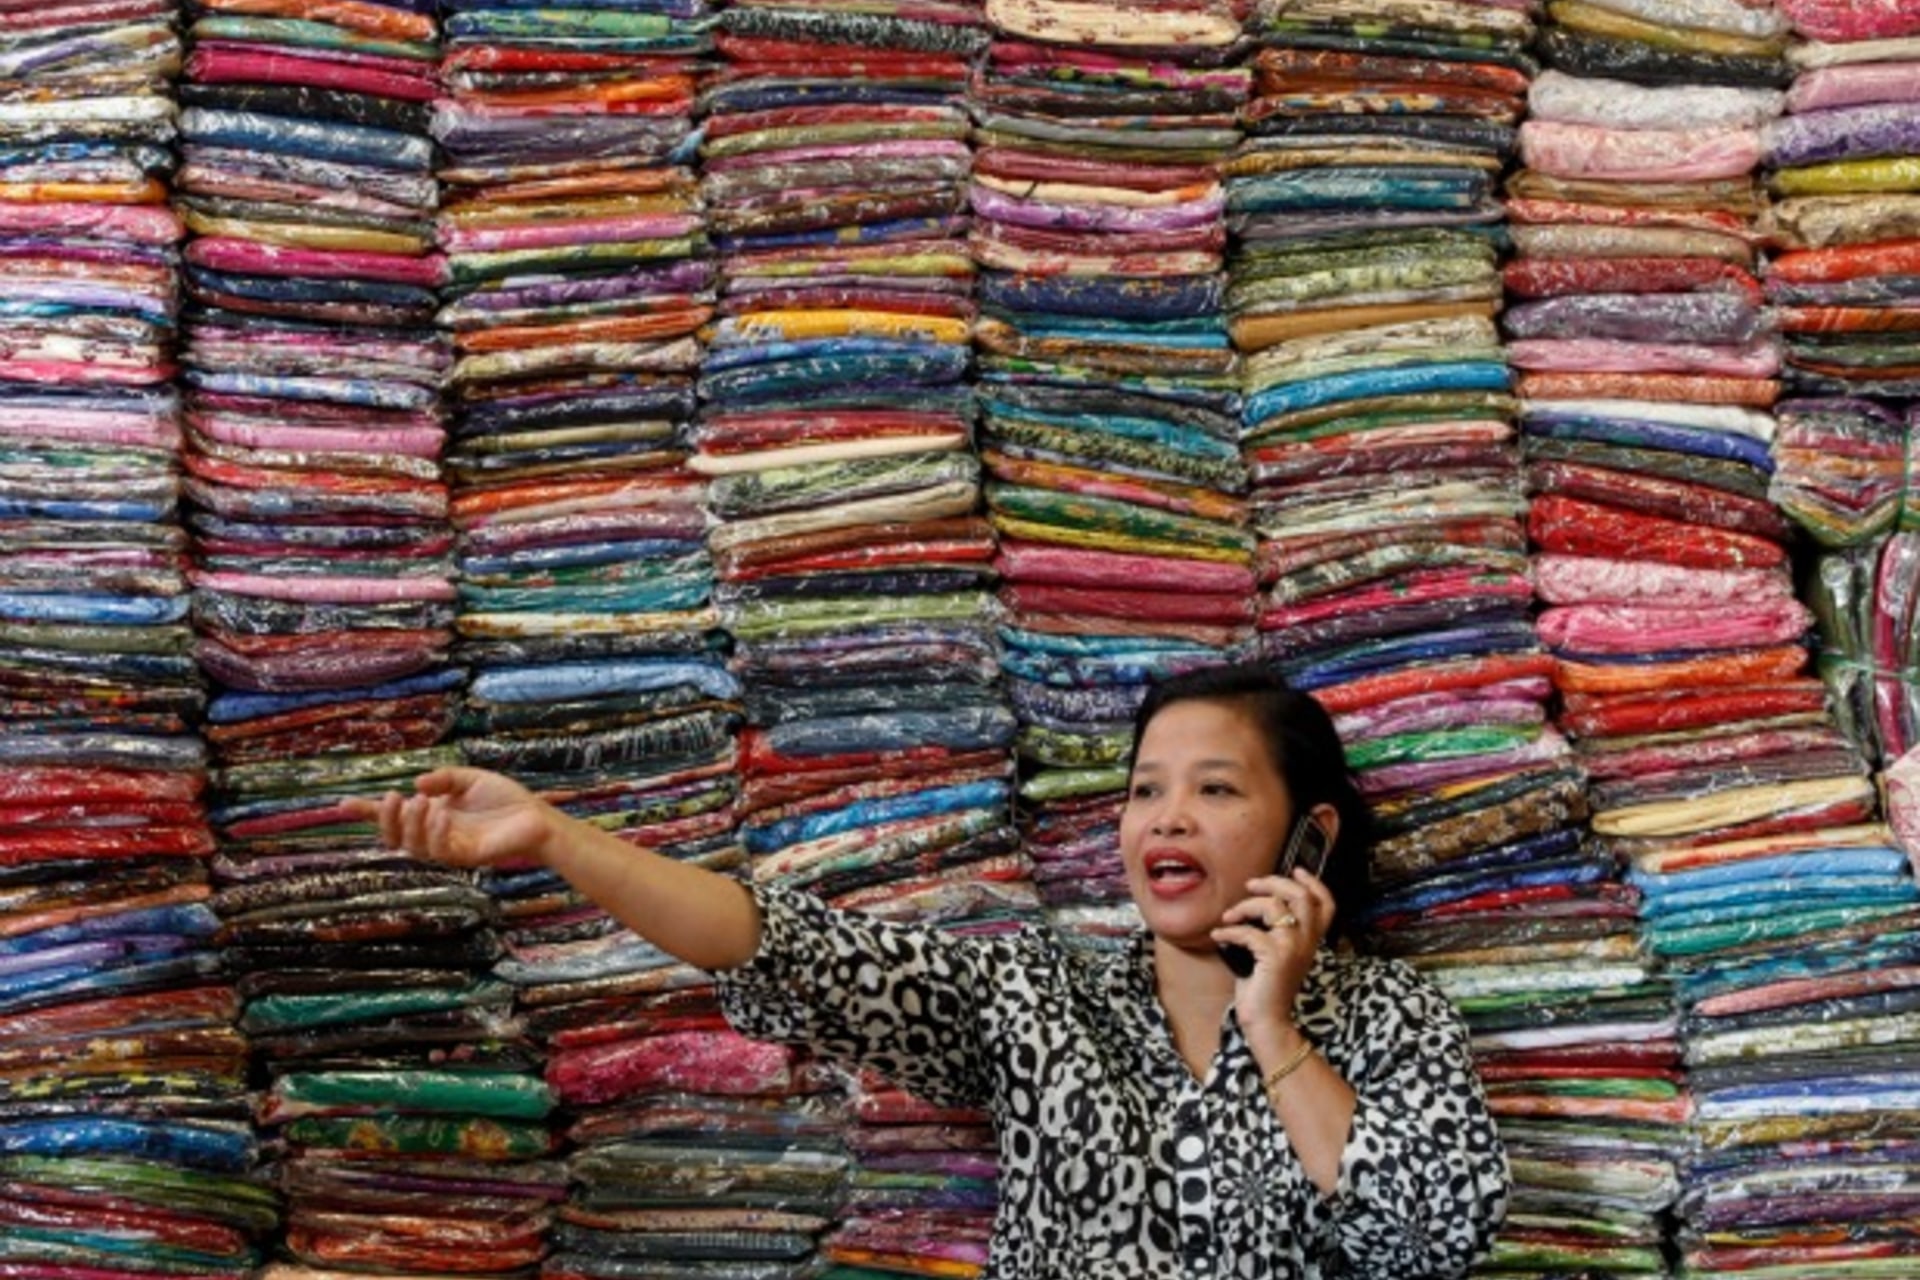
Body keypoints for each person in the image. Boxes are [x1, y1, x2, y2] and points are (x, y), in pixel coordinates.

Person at [357, 662, 1508, 1278]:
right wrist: (558, 836)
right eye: (1145, 789)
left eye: (1215, 788)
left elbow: (1430, 1238)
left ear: (1308, 830)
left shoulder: (1391, 1017)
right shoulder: (1037, 996)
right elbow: (779, 941)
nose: (1167, 817)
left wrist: (1275, 1025)